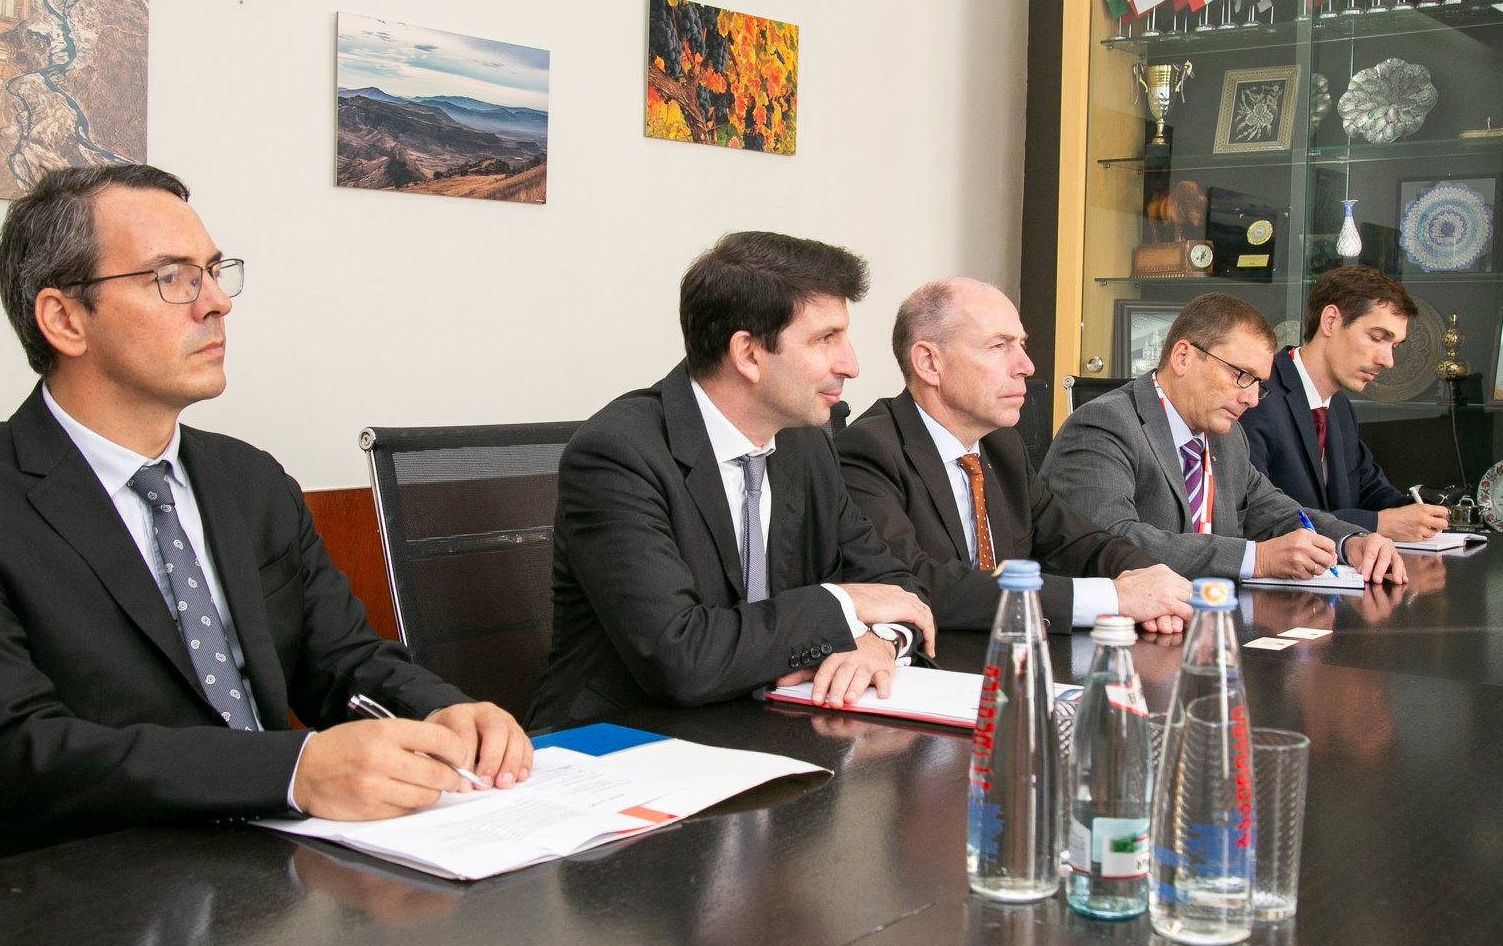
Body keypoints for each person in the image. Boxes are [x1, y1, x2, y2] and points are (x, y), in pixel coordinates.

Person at [0, 164, 530, 872]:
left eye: (213, 271)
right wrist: (293, 771)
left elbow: (342, 662)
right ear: (64, 319)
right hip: (83, 889)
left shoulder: (250, 480)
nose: (216, 302)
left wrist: (440, 713)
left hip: (273, 873)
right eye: (172, 277)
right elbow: (12, 754)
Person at [527, 231, 934, 729]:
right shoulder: (617, 455)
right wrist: (845, 602)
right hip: (622, 738)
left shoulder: (805, 444)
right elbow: (681, 658)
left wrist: (880, 641)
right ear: (748, 354)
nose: (850, 364)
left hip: (766, 728)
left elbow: (897, 588)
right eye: (825, 339)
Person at [836, 277, 1191, 635]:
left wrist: (1152, 585)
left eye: (1021, 344)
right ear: (929, 363)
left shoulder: (1002, 446)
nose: (1026, 365)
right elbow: (911, 585)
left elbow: (1080, 541)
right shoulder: (868, 451)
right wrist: (1113, 598)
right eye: (998, 346)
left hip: (1009, 654)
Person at [1039, 293, 1406, 584]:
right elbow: (1110, 541)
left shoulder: (1226, 438)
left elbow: (1275, 511)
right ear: (1183, 357)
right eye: (1241, 375)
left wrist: (1350, 541)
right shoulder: (1105, 424)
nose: (1252, 398)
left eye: (1258, 383)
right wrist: (1256, 559)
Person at [1240, 267, 1449, 541]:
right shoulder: (1255, 397)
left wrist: (1416, 513)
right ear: (1330, 321)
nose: (1388, 361)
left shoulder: (1340, 407)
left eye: (1394, 346)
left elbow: (1370, 489)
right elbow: (1261, 516)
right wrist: (1377, 524)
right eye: (1377, 338)